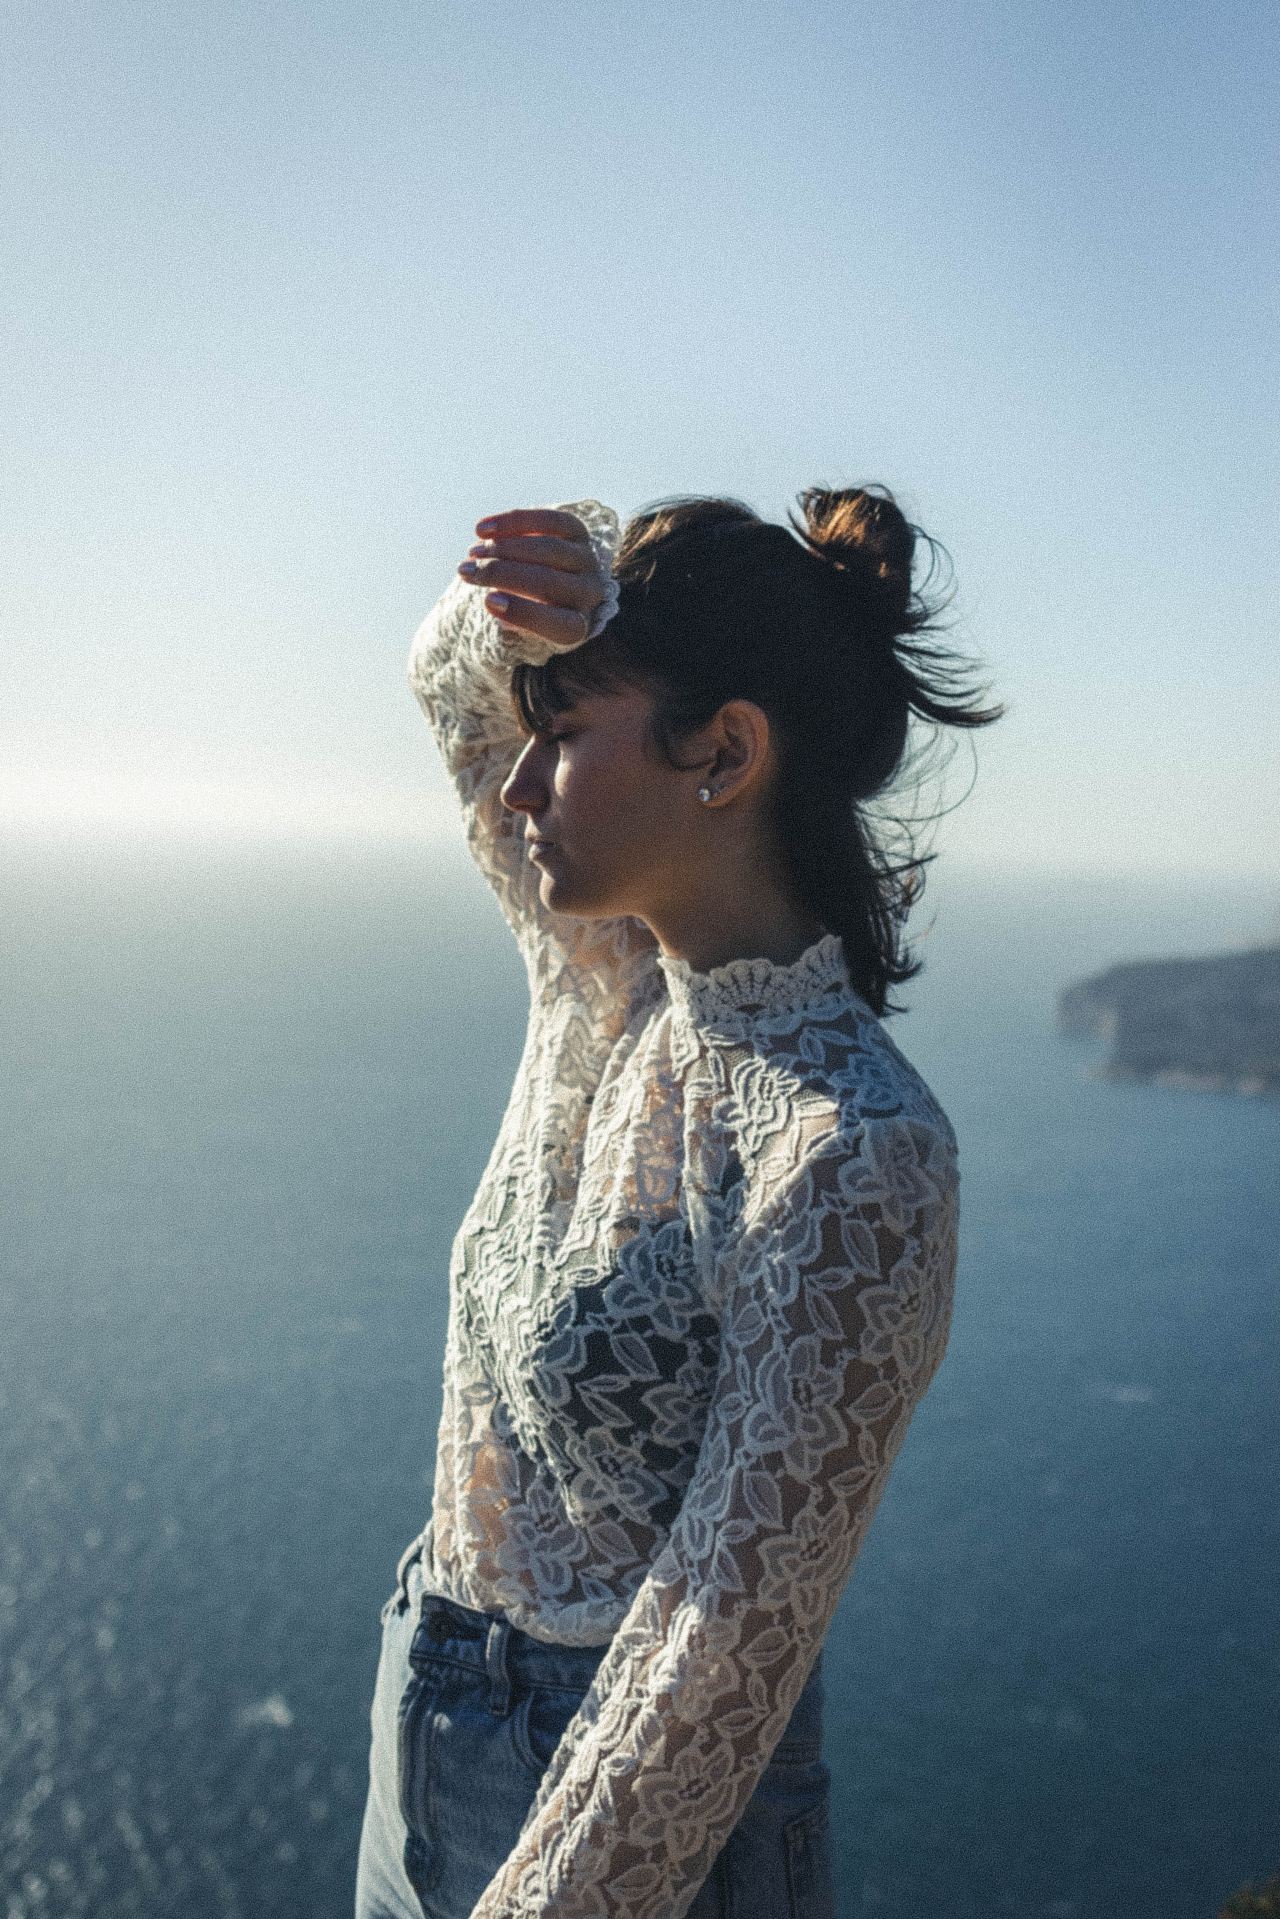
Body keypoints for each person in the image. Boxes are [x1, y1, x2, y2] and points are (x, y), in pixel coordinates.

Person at [354, 489, 1005, 1919]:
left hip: (630, 1834)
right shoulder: (597, 970)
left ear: (723, 752)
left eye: (568, 737)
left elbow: (707, 1678)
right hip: (427, 1716)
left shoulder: (855, 1153)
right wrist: (569, 594)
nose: (518, 785)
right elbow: (443, 680)